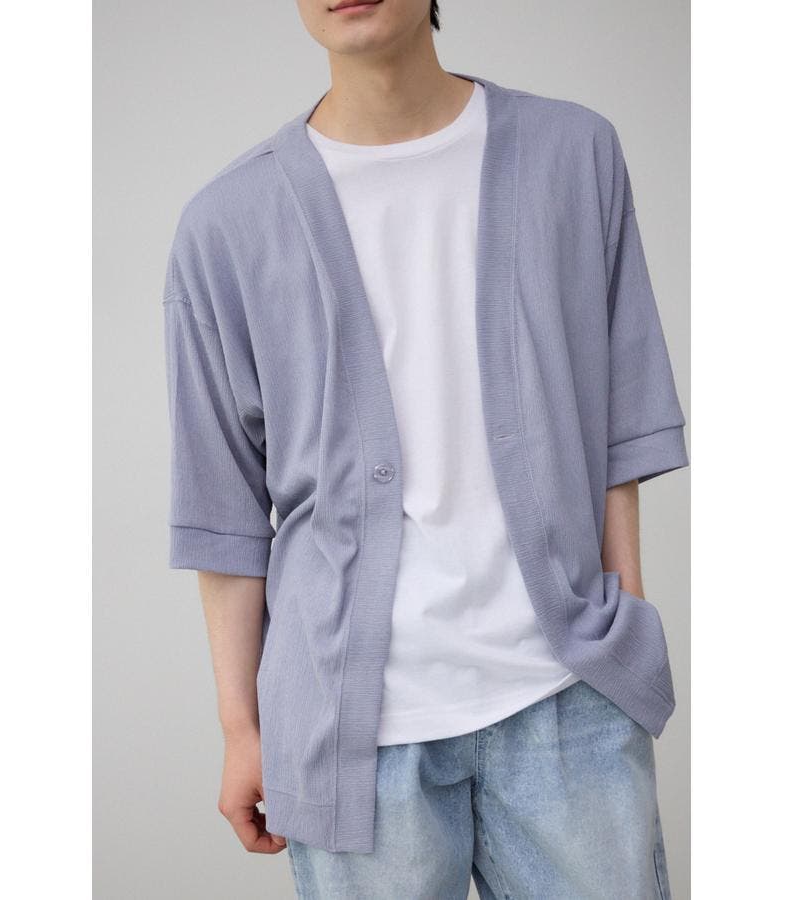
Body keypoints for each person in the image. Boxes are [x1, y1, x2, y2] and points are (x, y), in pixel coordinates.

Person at [162, 1, 688, 896]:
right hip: (351, 736)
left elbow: (620, 424)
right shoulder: (226, 224)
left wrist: (620, 635)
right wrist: (241, 730)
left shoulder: (573, 155)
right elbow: (225, 516)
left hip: (567, 699)